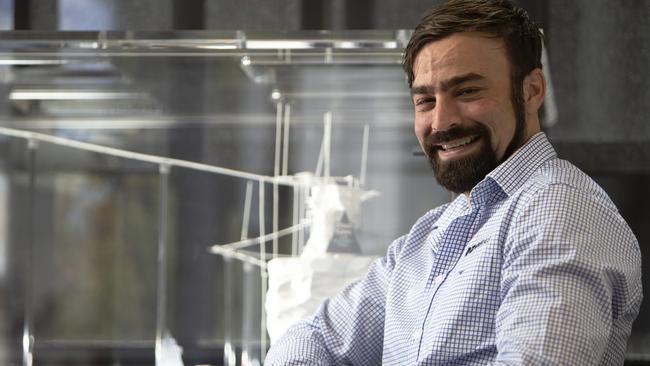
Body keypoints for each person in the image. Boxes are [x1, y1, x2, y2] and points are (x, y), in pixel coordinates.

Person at [264, 0, 643, 364]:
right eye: (425, 100)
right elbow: (311, 338)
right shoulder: (425, 237)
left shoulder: (557, 209)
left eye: (467, 91)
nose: (442, 121)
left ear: (531, 91)